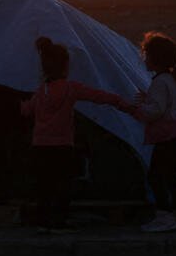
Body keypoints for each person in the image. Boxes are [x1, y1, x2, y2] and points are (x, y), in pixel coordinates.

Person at [20, 37, 131, 233]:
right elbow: (98, 96)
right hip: (63, 146)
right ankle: (59, 221)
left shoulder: (41, 92)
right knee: (63, 185)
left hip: (40, 146)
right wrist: (121, 102)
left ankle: (42, 221)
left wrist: (20, 104)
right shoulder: (72, 89)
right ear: (66, 67)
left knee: (44, 185)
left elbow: (26, 111)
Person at [129, 32, 176, 232]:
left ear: (154, 58)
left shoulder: (159, 81)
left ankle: (164, 217)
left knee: (156, 177)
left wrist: (137, 110)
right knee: (172, 178)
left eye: (146, 55)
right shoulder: (170, 79)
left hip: (167, 137)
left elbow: (156, 111)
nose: (144, 59)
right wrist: (149, 98)